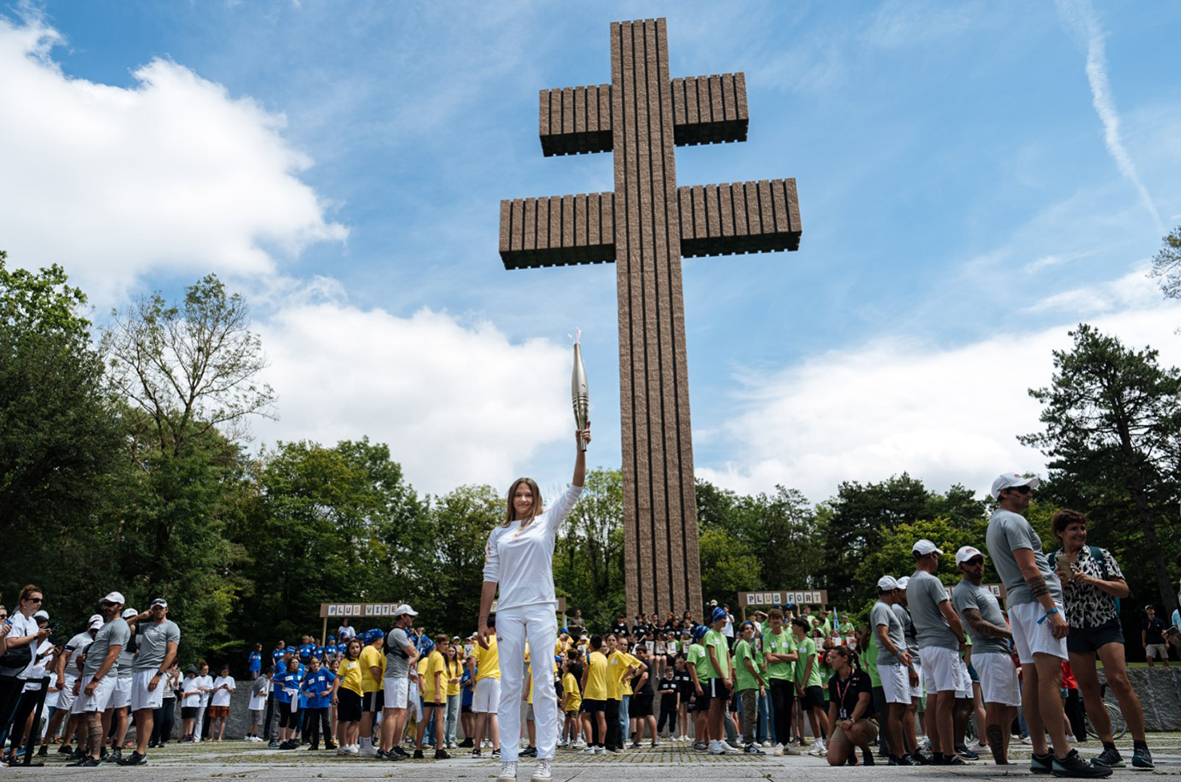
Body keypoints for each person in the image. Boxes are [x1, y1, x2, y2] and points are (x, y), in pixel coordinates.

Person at [478, 424, 589, 782]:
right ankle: (508, 760)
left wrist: (581, 449)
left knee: (542, 682)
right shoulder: (499, 533)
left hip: (541, 608)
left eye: (528, 494)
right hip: (508, 611)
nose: (523, 499)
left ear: (536, 498)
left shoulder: (547, 521)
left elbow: (576, 487)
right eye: (518, 495)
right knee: (510, 686)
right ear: (511, 498)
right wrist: (482, 621)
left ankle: (545, 758)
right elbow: (490, 578)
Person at [985, 473, 1110, 778]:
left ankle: (1041, 753)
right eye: (1023, 489)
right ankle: (1064, 755)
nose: (1029, 494)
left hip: (1019, 603)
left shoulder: (995, 523)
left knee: (1032, 677)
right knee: (1051, 679)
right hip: (1037, 604)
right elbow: (1029, 568)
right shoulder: (1013, 521)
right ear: (1004, 493)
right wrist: (1052, 610)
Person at [1052, 509, 1153, 768]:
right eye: (1074, 529)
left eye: (1082, 528)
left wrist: (1093, 580)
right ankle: (1109, 748)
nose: (1081, 533)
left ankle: (1141, 747)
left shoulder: (1100, 555)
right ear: (1060, 533)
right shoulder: (1052, 560)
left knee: (1119, 680)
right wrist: (1060, 584)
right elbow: (1047, 598)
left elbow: (1123, 590)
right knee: (1088, 688)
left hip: (1104, 624)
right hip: (1075, 629)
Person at [951, 546, 1018, 765]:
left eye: (980, 561)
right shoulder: (964, 590)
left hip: (1000, 652)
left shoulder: (983, 590)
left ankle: (1003, 756)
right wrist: (1011, 633)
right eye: (972, 562)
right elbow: (977, 624)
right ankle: (1000, 760)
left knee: (1009, 709)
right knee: (996, 706)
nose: (978, 565)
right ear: (961, 567)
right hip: (989, 653)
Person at [906, 539, 967, 766]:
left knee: (933, 698)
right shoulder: (932, 581)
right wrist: (962, 638)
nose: (938, 559)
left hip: (925, 646)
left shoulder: (911, 583)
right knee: (946, 700)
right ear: (931, 556)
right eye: (936, 556)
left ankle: (938, 750)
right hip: (942, 643)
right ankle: (949, 752)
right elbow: (950, 615)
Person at [67, 591, 130, 767]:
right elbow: (96, 652)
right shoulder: (106, 626)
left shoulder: (119, 626)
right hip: (91, 673)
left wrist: (95, 679)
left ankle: (94, 756)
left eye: (111, 604)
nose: (106, 607)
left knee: (93, 714)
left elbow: (112, 655)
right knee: (90, 714)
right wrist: (81, 678)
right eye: (105, 604)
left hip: (102, 676)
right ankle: (92, 753)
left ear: (120, 606)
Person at [120, 597, 179, 765]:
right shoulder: (145, 626)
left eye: (161, 608)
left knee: (146, 711)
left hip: (154, 669)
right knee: (138, 712)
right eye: (155, 608)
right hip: (138, 669)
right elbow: (122, 627)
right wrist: (139, 616)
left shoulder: (171, 627)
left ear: (166, 610)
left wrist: (159, 674)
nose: (158, 610)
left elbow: (172, 652)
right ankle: (139, 751)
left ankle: (141, 752)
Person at [0, 585, 51, 758]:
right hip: (10, 673)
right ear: (24, 601)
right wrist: (36, 636)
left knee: (9, 716)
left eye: (41, 601)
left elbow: (31, 647)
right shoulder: (17, 618)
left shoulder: (32, 621)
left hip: (24, 673)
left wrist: (41, 637)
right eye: (35, 600)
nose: (38, 603)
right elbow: (11, 642)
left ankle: (5, 752)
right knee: (3, 715)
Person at [871, 575, 913, 765]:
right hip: (891, 662)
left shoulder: (885, 608)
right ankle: (899, 753)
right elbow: (883, 634)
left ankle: (899, 752)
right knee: (896, 707)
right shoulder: (881, 608)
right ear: (893, 591)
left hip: (896, 662)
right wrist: (897, 653)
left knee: (899, 706)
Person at [379, 604, 420, 761]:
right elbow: (412, 653)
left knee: (397, 712)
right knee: (392, 712)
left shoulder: (398, 632)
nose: (412, 619)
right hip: (395, 677)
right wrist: (415, 652)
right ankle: (387, 749)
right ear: (402, 616)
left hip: (399, 676)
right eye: (410, 616)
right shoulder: (398, 632)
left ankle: (391, 746)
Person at [824, 645, 876, 766]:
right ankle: (850, 751)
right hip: (843, 724)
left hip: (865, 721)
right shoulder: (833, 681)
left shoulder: (862, 676)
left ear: (845, 658)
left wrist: (852, 719)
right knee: (834, 761)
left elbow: (863, 701)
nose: (830, 660)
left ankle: (866, 752)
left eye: (834, 657)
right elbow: (833, 710)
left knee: (854, 729)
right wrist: (829, 736)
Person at [761, 608, 799, 755]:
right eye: (773, 618)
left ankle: (787, 742)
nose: (776, 621)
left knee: (788, 710)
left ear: (782, 620)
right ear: (769, 621)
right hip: (775, 677)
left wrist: (777, 655)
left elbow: (795, 656)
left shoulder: (788, 636)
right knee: (778, 708)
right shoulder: (767, 637)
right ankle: (779, 742)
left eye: (778, 618)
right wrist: (784, 656)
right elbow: (769, 658)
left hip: (788, 677)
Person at [790, 617, 828, 757]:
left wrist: (804, 683)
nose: (792, 627)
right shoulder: (796, 645)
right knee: (810, 713)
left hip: (812, 682)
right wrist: (798, 685)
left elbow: (810, 663)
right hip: (802, 685)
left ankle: (831, 739)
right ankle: (818, 742)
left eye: (794, 625)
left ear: (801, 627)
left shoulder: (809, 642)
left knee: (819, 710)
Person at [732, 622, 765, 755]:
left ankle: (749, 741)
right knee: (750, 715)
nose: (750, 631)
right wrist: (759, 678)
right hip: (748, 683)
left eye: (751, 628)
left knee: (750, 714)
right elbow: (748, 664)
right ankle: (749, 743)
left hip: (746, 683)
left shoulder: (742, 644)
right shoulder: (744, 645)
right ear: (741, 632)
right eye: (746, 629)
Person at [472, 612, 501, 758]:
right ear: (495, 627)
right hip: (496, 679)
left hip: (482, 679)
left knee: (481, 714)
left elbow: (472, 662)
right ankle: (496, 748)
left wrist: (473, 680)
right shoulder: (501, 640)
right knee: (494, 714)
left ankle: (477, 748)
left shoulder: (480, 641)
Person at [414, 635, 449, 759]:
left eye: (447, 644)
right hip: (438, 690)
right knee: (439, 720)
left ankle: (418, 749)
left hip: (429, 691)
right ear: (437, 644)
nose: (446, 647)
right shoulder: (439, 657)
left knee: (424, 720)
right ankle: (439, 749)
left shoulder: (432, 655)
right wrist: (438, 693)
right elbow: (437, 675)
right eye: (444, 644)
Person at [578, 634, 608, 755]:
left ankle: (589, 745)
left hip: (591, 692)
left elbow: (585, 676)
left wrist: (583, 688)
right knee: (601, 718)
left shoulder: (589, 657)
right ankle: (601, 745)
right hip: (603, 692)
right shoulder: (604, 658)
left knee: (585, 717)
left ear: (590, 645)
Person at [332, 639, 363, 755]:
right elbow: (338, 678)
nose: (355, 650)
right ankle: (342, 745)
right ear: (348, 650)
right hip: (347, 691)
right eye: (352, 648)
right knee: (343, 719)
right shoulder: (345, 662)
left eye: (357, 647)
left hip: (359, 692)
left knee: (357, 719)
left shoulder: (362, 660)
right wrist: (334, 693)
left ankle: (349, 743)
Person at [300, 655, 335, 750]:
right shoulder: (309, 676)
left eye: (316, 663)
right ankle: (315, 743)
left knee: (325, 722)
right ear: (310, 665)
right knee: (314, 723)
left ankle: (328, 742)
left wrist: (329, 691)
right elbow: (303, 688)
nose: (315, 665)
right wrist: (308, 694)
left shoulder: (324, 671)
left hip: (323, 701)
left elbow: (335, 680)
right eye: (313, 663)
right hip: (313, 702)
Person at [443, 641, 463, 749]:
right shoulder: (442, 662)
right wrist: (449, 680)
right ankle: (443, 740)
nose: (451, 653)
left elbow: (460, 675)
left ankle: (451, 740)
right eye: (449, 651)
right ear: (446, 652)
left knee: (453, 716)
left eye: (452, 651)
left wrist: (458, 679)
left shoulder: (457, 662)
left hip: (455, 692)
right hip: (445, 691)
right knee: (444, 716)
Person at [247, 667, 270, 742]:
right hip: (258, 705)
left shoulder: (258, 679)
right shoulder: (264, 680)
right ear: (269, 673)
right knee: (257, 721)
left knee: (252, 721)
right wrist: (266, 694)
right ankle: (255, 736)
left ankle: (248, 735)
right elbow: (261, 692)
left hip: (252, 704)